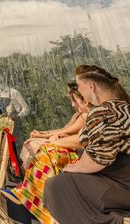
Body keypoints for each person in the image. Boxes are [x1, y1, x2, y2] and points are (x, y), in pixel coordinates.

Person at [44, 65, 130, 224]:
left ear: (91, 86)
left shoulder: (103, 111)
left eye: (79, 87)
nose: (80, 92)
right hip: (120, 181)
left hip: (121, 185)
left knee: (57, 185)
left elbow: (100, 157)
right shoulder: (123, 107)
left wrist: (73, 168)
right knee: (65, 182)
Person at [3, 84, 90, 224]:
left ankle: (32, 195)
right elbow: (65, 131)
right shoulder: (82, 115)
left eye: (74, 100)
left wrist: (49, 140)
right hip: (80, 155)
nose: (72, 104)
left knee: (46, 152)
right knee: (40, 148)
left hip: (82, 157)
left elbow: (79, 139)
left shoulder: (89, 116)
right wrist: (46, 136)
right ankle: (29, 191)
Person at [20, 82, 89, 170]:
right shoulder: (78, 114)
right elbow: (63, 129)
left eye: (72, 98)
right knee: (32, 142)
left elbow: (66, 133)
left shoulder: (85, 116)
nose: (72, 103)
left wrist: (45, 137)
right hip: (66, 143)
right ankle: (24, 171)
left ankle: (25, 172)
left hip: (73, 149)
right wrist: (42, 133)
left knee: (32, 143)